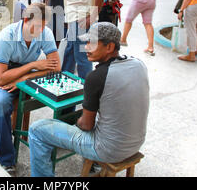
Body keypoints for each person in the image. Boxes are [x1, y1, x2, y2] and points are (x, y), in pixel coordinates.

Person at [28, 22, 150, 177]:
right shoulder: (139, 64)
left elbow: (86, 125)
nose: (86, 47)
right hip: (135, 143)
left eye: (92, 43)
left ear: (109, 47)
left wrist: (77, 122)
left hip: (106, 149)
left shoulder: (97, 77)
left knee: (37, 129)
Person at [0, 3, 60, 175]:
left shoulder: (45, 32)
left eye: (43, 26)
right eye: (35, 26)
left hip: (28, 75)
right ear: (25, 20)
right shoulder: (7, 36)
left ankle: (61, 142)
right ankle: (7, 159)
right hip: (6, 74)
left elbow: (56, 67)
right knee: (0, 104)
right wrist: (34, 65)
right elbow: (0, 78)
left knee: (60, 96)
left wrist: (25, 77)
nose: (39, 31)